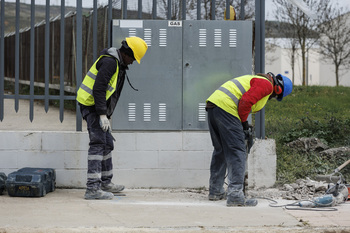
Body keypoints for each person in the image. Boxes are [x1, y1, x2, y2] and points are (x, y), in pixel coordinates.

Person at [205, 72, 293, 207]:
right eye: (276, 97)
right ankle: (235, 195)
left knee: (221, 150)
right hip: (227, 108)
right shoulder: (266, 85)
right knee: (237, 151)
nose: (272, 98)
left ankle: (215, 191)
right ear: (278, 89)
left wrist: (242, 124)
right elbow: (245, 102)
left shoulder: (257, 79)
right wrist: (244, 123)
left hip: (214, 106)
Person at [76, 36, 148, 200]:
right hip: (91, 106)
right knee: (98, 143)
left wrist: (105, 114)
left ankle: (105, 183)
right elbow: (99, 89)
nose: (132, 63)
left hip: (98, 108)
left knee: (107, 143)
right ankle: (92, 188)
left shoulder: (118, 64)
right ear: (127, 53)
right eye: (133, 59)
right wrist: (101, 114)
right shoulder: (110, 63)